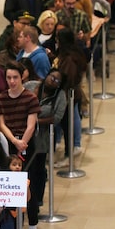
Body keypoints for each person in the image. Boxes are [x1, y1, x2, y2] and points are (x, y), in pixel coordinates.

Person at [0, 61, 41, 229]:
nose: (12, 81)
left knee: (29, 185)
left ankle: (33, 225)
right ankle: (13, 227)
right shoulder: (1, 98)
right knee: (11, 186)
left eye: (15, 77)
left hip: (28, 145)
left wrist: (23, 142)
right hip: (9, 144)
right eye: (8, 78)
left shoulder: (30, 98)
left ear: (22, 76)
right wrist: (14, 141)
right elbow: (2, 124)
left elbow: (31, 125)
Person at [53, 29, 88, 168]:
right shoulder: (73, 55)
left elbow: (67, 78)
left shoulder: (69, 59)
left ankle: (69, 154)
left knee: (67, 126)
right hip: (70, 95)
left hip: (68, 96)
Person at [32, 69, 67, 206]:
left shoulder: (60, 96)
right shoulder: (32, 86)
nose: (53, 80)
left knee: (39, 168)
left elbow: (56, 118)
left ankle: (38, 199)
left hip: (43, 138)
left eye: (57, 80)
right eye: (52, 77)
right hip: (25, 136)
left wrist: (36, 122)